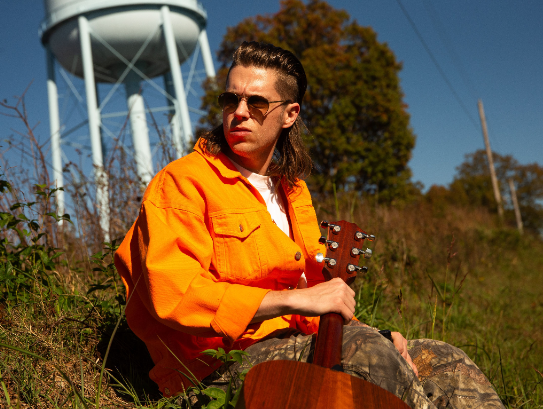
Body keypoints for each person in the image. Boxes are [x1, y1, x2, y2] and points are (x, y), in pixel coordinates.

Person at [114, 41, 504, 408]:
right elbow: (174, 295)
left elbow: (316, 297)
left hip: (299, 341)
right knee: (367, 353)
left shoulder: (292, 190)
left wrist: (375, 333)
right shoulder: (183, 182)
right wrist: (293, 302)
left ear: (290, 114)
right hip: (214, 370)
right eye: (230, 99)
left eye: (257, 102)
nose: (240, 111)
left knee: (444, 359)